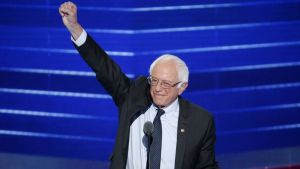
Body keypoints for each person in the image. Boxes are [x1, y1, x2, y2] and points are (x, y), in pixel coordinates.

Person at [59, 2, 219, 169]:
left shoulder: (200, 121)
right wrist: (74, 27)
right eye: (154, 80)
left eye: (166, 84)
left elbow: (206, 166)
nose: (157, 88)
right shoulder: (133, 96)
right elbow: (104, 67)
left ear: (182, 87)